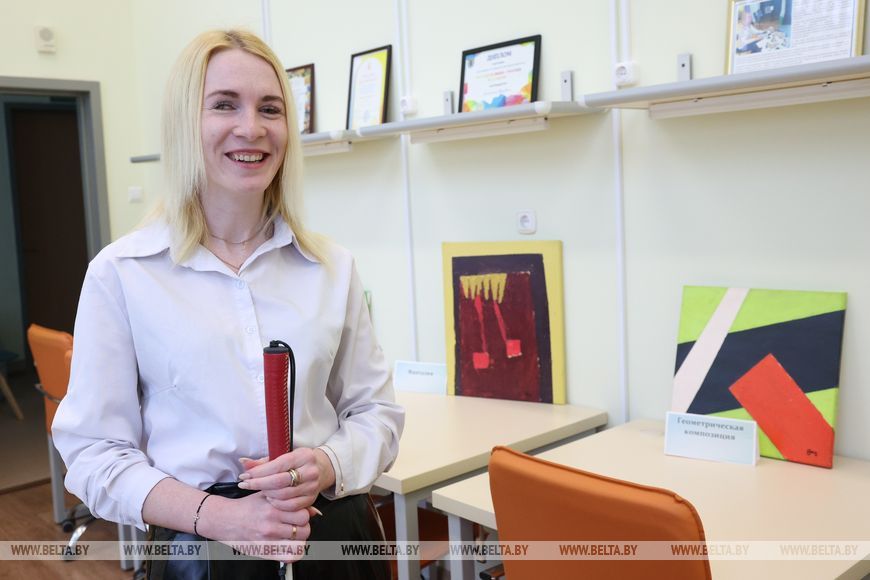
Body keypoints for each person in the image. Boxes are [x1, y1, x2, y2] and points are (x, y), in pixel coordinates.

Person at [52, 29, 404, 579]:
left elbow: (376, 414)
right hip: (201, 553)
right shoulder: (122, 274)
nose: (252, 128)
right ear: (184, 123)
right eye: (224, 105)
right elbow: (94, 453)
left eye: (270, 108)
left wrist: (326, 464)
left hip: (334, 539)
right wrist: (222, 518)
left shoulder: (332, 267)